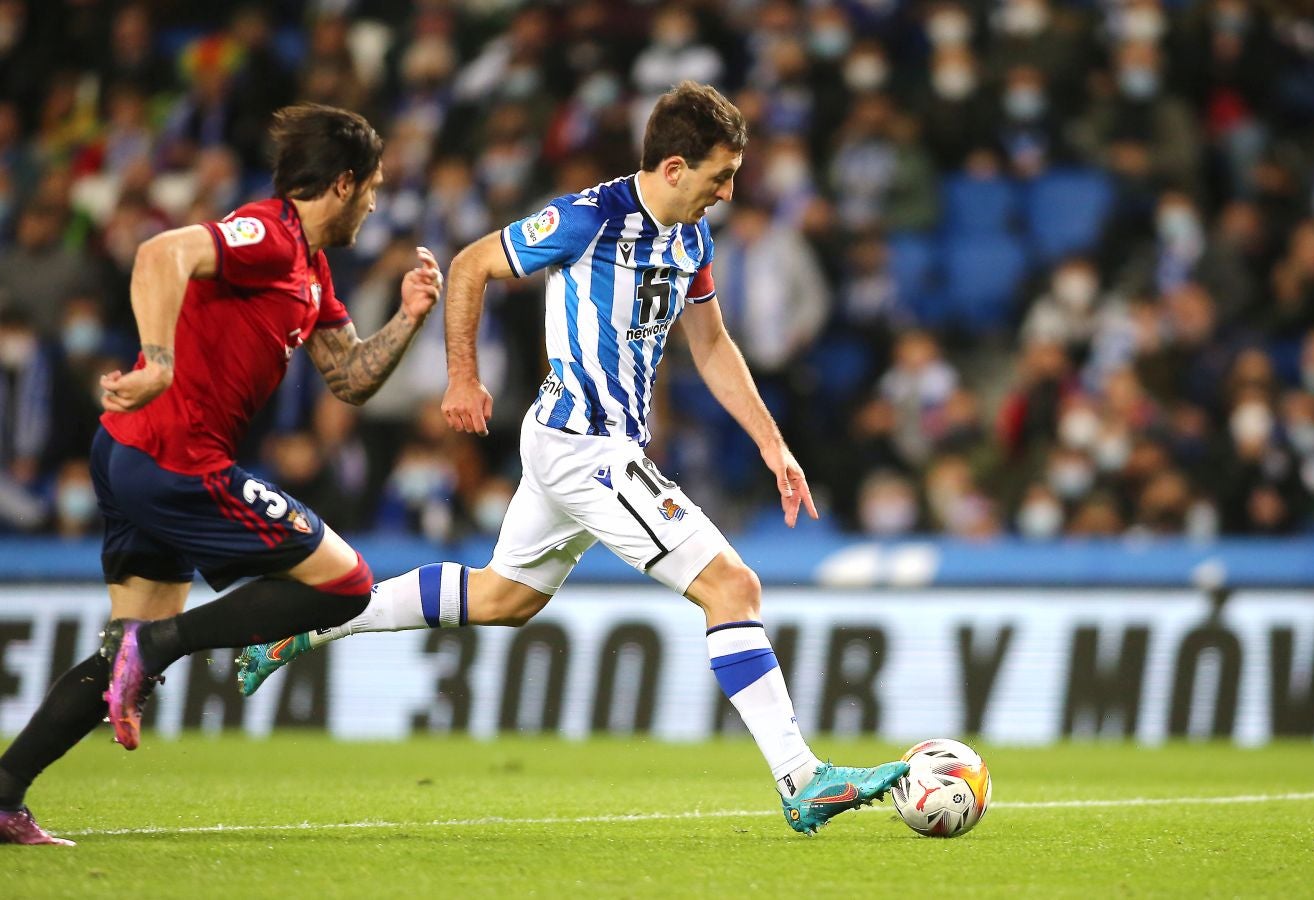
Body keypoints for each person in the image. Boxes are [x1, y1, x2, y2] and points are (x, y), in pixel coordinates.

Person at [237, 82, 907, 834]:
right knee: (732, 586)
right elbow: (470, 265)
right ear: (675, 166)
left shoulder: (690, 238)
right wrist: (462, 376)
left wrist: (771, 442)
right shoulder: (590, 217)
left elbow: (712, 346)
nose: (728, 191)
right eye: (720, 176)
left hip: (585, 446)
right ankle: (801, 778)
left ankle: (305, 627)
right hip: (583, 446)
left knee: (503, 599)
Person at [0, 104, 442, 845]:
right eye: (371, 186)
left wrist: (408, 317)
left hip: (135, 453)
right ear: (342, 183)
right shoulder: (268, 233)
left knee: (121, 652)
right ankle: (162, 646)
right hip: (174, 458)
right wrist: (159, 358)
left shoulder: (311, 269)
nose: (374, 201)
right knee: (346, 585)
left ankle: (5, 795)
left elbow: (351, 378)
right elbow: (159, 254)